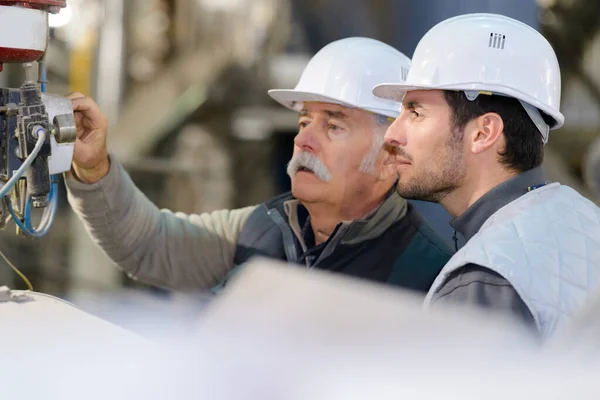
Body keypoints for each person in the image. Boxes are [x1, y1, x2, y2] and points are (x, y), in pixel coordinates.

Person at [66, 37, 453, 294]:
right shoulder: (262, 228)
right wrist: (94, 170)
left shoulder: (429, 280)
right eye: (304, 121)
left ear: (388, 159)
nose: (303, 140)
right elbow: (150, 244)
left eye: (333, 126)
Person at [374, 13, 600, 338]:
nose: (392, 135)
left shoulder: (483, 282)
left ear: (484, 133)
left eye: (415, 112)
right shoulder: (584, 219)